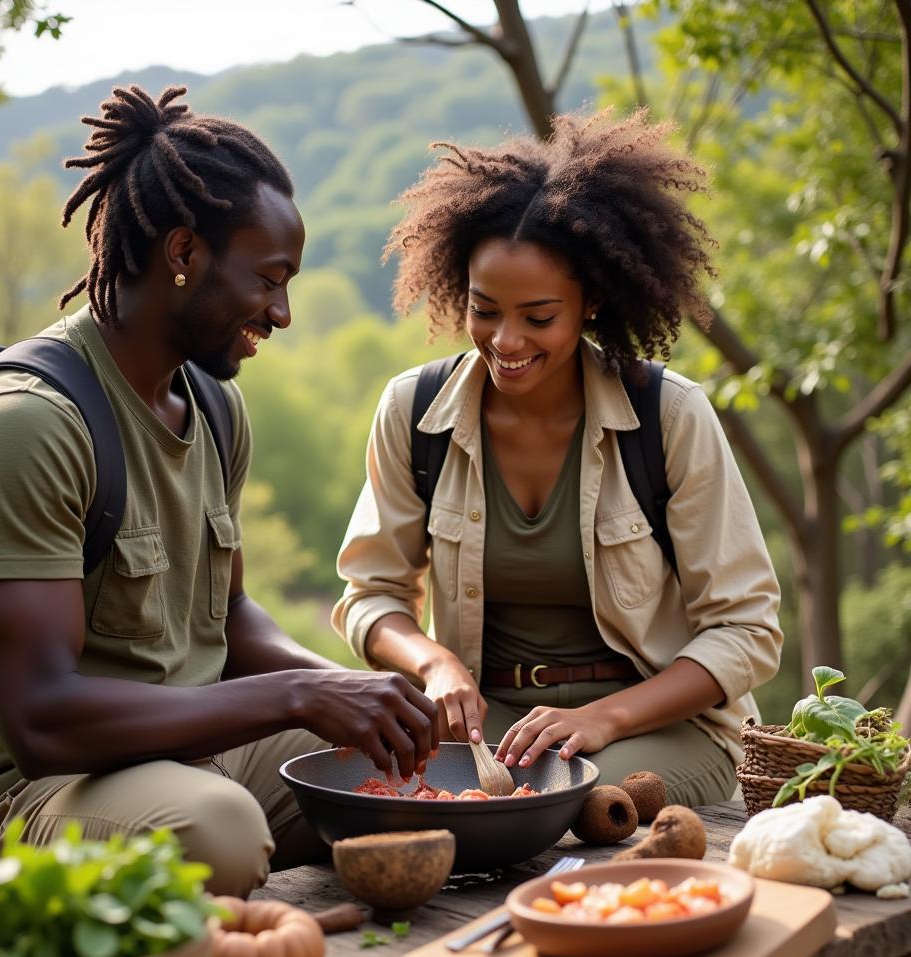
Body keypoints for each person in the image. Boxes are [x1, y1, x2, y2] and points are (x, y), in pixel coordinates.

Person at [0, 84, 437, 895]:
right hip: (36, 798)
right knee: (220, 831)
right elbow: (41, 722)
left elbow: (227, 617)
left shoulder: (214, 405)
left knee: (425, 785)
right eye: (269, 279)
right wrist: (301, 694)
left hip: (194, 756)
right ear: (183, 253)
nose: (283, 312)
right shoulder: (26, 425)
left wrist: (349, 694)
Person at [332, 110, 782, 807]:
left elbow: (747, 631)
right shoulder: (412, 413)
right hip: (489, 735)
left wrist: (603, 718)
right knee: (372, 795)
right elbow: (370, 596)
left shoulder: (668, 417)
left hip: (654, 726)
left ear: (590, 303)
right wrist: (435, 662)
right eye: (485, 310)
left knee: (567, 807)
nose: (506, 340)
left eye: (538, 317)